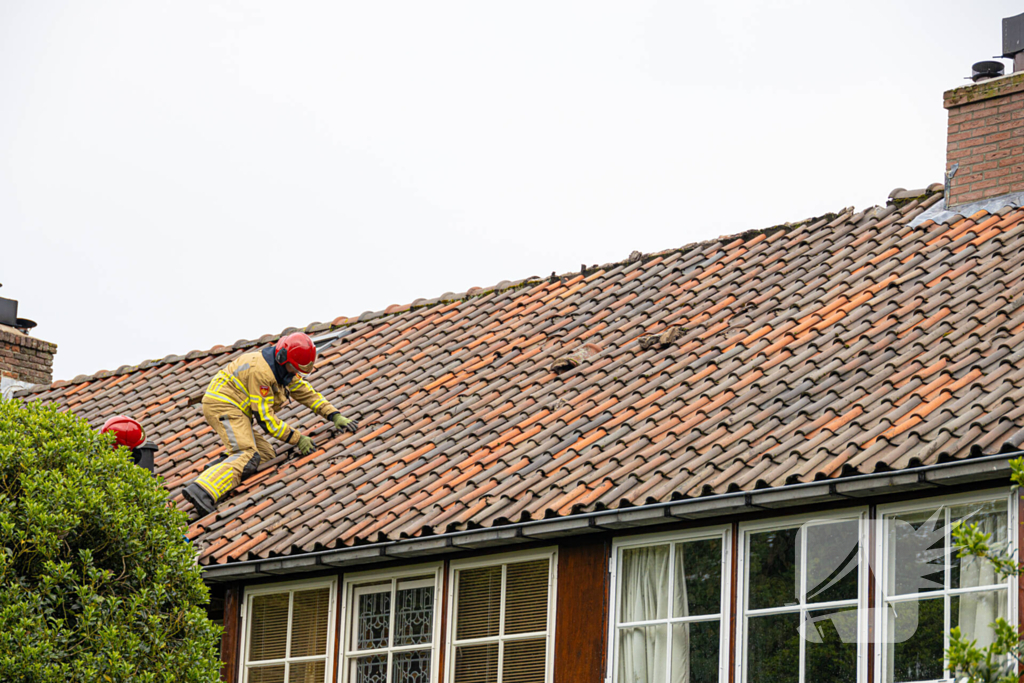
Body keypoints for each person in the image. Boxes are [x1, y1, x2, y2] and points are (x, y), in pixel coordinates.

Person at [181, 332, 357, 518]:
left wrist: (334, 415)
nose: (295, 373)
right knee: (246, 454)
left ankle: (218, 472)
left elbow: (306, 393)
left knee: (265, 455)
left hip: (235, 410)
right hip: (223, 406)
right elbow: (267, 421)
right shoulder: (262, 372)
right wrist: (298, 439)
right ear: (282, 358)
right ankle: (201, 491)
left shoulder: (283, 370)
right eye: (294, 368)